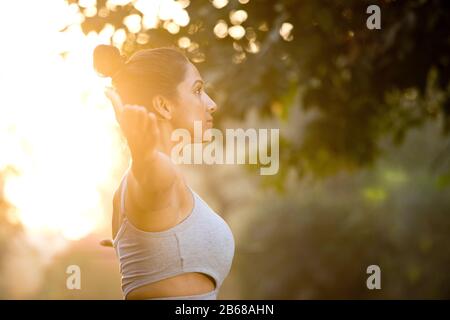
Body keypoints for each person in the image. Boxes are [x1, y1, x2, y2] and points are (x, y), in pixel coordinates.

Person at [93, 45, 235, 300]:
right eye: (198, 90)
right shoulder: (157, 173)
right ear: (163, 105)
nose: (211, 104)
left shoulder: (137, 186)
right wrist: (143, 154)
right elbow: (152, 175)